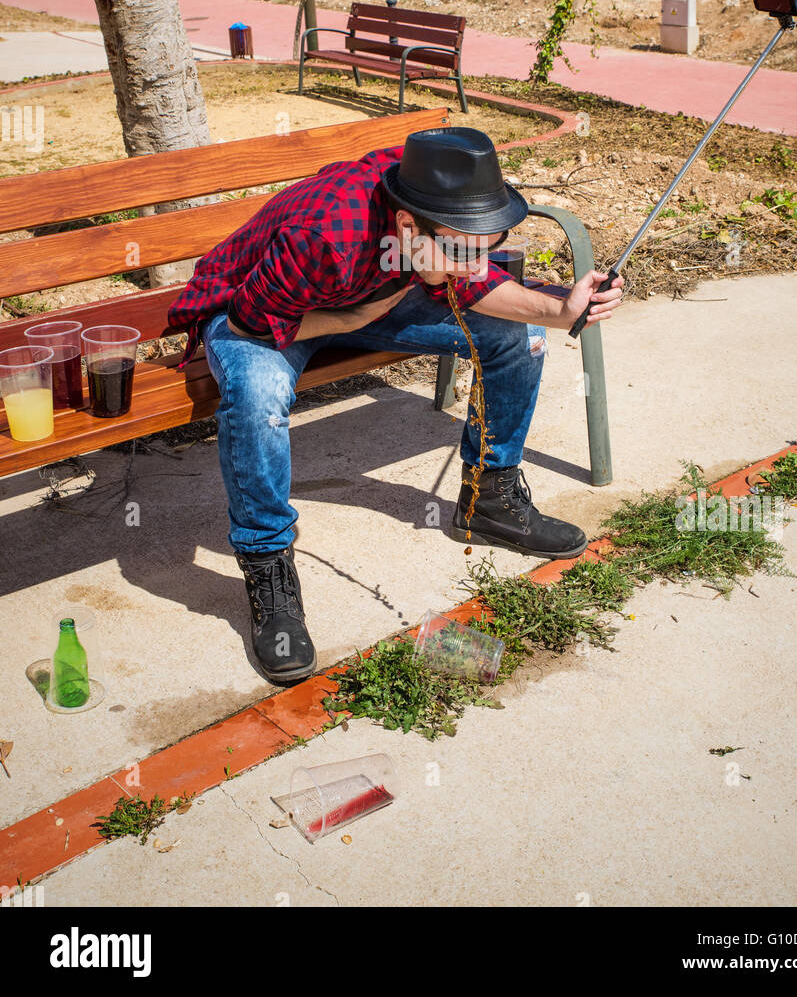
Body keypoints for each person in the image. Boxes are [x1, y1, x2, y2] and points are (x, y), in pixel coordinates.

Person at [167, 126, 623, 685]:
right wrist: (357, 318)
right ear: (406, 225)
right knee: (259, 396)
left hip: (365, 300)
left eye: (481, 250)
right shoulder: (325, 233)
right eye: (458, 252)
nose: (470, 265)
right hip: (259, 314)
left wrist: (559, 311)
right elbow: (250, 322)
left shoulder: (438, 208)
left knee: (519, 336)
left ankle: (490, 499)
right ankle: (267, 565)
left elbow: (472, 283)